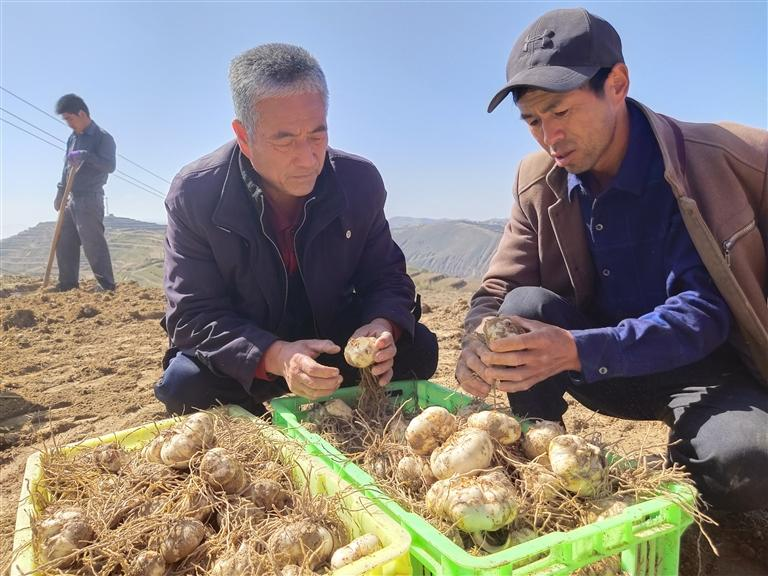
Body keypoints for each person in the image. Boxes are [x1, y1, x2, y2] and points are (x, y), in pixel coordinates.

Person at [455, 7, 768, 512]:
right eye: (533, 120)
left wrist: (577, 348)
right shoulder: (538, 181)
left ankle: (694, 458)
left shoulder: (708, 161)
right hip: (598, 371)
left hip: (705, 371)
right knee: (523, 305)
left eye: (561, 111)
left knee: (749, 462)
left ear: (617, 84)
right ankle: (542, 461)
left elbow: (704, 313)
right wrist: (476, 336)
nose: (549, 136)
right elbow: (496, 291)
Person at [156, 43, 438, 416]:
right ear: (244, 136)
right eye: (285, 139)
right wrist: (277, 356)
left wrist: (382, 325)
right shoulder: (196, 193)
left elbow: (386, 275)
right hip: (253, 354)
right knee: (184, 386)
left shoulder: (360, 182)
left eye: (317, 135)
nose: (308, 159)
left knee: (418, 351)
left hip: (330, 348)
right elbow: (193, 315)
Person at [53, 94, 117, 292]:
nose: (69, 124)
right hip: (71, 198)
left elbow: (109, 166)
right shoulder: (72, 138)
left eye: (70, 118)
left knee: (92, 242)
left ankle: (106, 286)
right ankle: (68, 284)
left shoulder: (102, 137)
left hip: (90, 198)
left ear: (81, 113)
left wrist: (86, 156)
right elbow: (66, 169)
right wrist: (60, 192)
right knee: (64, 241)